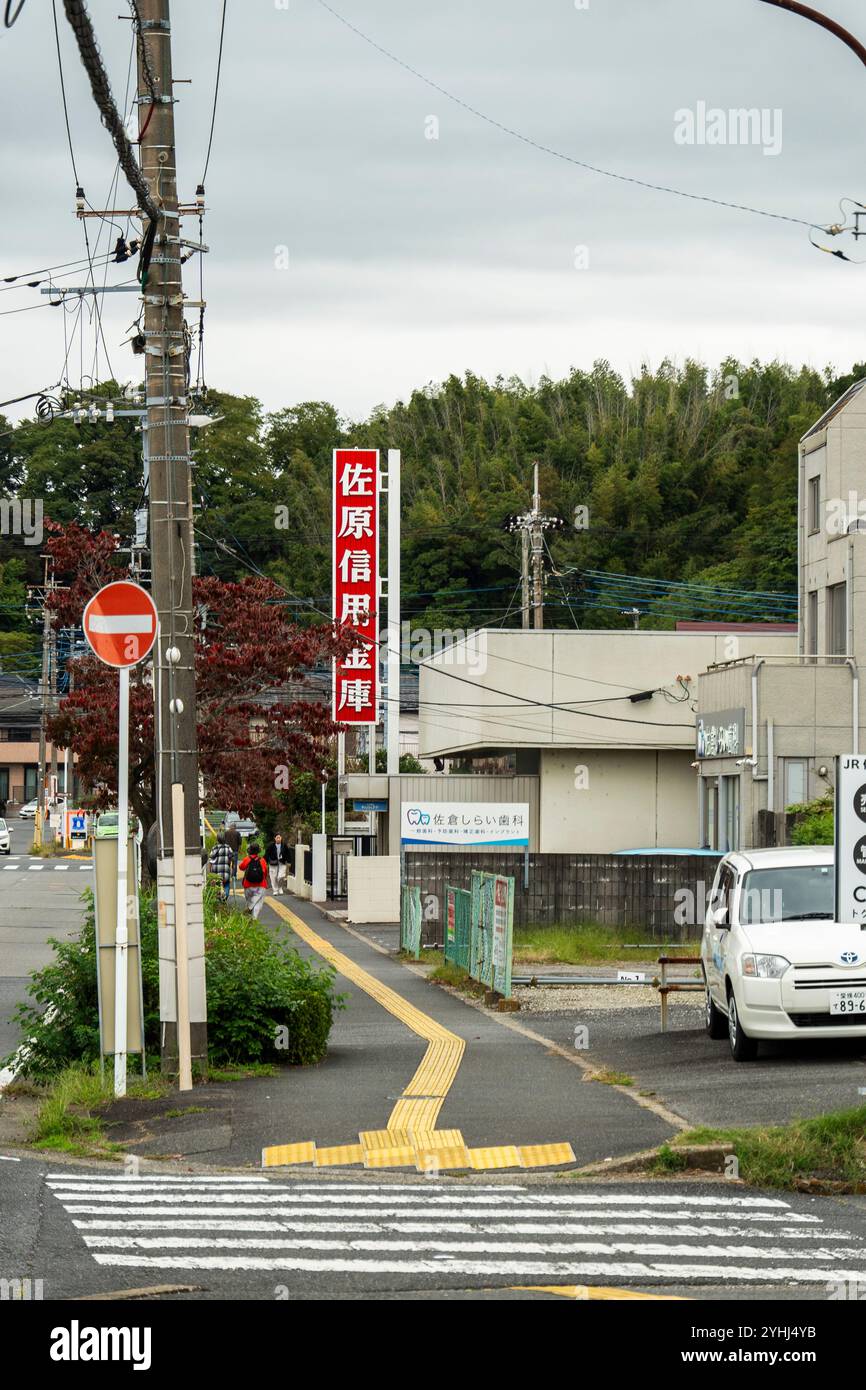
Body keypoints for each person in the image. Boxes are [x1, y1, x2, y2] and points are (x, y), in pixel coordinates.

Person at [238, 841, 267, 918]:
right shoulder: (262, 860)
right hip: (260, 885)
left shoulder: (247, 859)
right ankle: (253, 918)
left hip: (248, 885)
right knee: (258, 903)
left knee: (250, 902)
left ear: (250, 850)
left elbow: (241, 867)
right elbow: (264, 872)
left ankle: (249, 913)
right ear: (258, 851)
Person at [208, 830, 234, 903]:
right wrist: (231, 868)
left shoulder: (214, 848)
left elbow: (210, 861)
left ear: (217, 839)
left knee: (217, 887)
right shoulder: (228, 848)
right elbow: (231, 859)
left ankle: (220, 899)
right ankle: (224, 896)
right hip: (226, 872)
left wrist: (210, 873)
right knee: (226, 885)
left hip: (216, 873)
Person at [223, 820, 241, 895]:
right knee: (234, 863)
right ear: (235, 827)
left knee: (227, 863)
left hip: (227, 851)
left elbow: (223, 841)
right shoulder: (237, 833)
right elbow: (240, 842)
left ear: (230, 826)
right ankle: (234, 876)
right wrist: (239, 849)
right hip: (235, 850)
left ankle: (227, 874)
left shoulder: (226, 833)